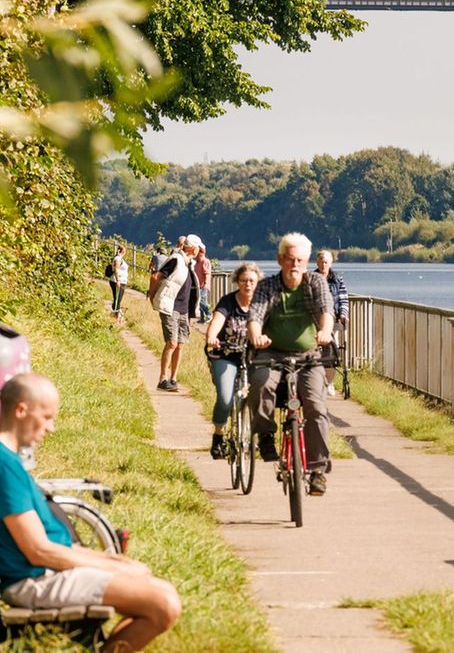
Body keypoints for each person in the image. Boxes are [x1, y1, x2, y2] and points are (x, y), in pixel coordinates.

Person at [0, 373, 181, 649]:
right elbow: (38, 551)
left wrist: (117, 563)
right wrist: (109, 563)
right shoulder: (4, 465)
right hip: (32, 580)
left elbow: (49, 546)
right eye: (47, 417)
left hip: (44, 573)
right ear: (21, 409)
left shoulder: (10, 460)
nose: (51, 428)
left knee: (156, 589)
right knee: (162, 604)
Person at [247, 233, 334, 496]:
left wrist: (325, 331)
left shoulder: (314, 282)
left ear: (307, 261)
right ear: (280, 260)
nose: (295, 264)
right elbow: (255, 314)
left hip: (308, 357)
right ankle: (265, 435)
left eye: (300, 260)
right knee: (260, 386)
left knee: (316, 407)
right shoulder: (268, 286)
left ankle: (317, 471)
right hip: (272, 354)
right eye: (290, 259)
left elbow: (326, 309)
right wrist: (255, 335)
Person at [203, 262, 261, 460]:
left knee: (266, 392)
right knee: (226, 397)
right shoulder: (228, 302)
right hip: (226, 353)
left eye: (252, 281)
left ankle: (262, 435)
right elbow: (217, 321)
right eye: (244, 280)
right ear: (237, 281)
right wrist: (212, 336)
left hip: (254, 357)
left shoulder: (261, 304)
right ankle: (219, 434)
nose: (248, 285)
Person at [148, 236, 200, 393]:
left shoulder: (189, 264)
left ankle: (173, 379)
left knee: (180, 344)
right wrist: (152, 296)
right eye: (198, 248)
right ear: (193, 248)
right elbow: (155, 277)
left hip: (183, 310)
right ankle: (162, 379)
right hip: (171, 307)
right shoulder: (176, 260)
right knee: (172, 343)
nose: (199, 251)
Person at [314, 251, 349, 397]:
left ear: (331, 263)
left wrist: (343, 314)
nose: (323, 264)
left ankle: (329, 381)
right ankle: (315, 381)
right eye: (321, 261)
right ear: (317, 263)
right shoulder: (311, 279)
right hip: (314, 320)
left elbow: (343, 298)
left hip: (332, 319)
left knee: (331, 350)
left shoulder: (337, 279)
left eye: (326, 262)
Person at [105, 245, 128, 318]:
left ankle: (114, 314)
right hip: (117, 281)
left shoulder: (119, 258)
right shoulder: (118, 258)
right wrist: (118, 280)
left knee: (117, 299)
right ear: (123, 251)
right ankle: (115, 315)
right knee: (117, 299)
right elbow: (116, 268)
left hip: (121, 281)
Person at [193, 242, 212, 323]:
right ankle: (202, 318)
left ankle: (209, 313)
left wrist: (206, 284)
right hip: (198, 285)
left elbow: (207, 274)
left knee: (201, 301)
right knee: (198, 301)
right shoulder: (196, 262)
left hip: (203, 285)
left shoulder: (205, 261)